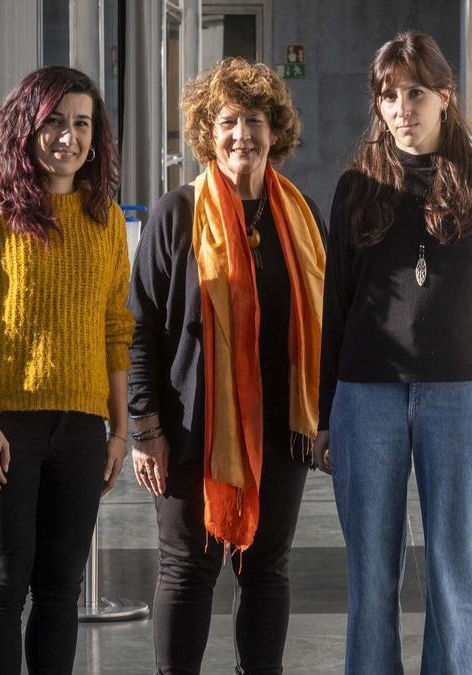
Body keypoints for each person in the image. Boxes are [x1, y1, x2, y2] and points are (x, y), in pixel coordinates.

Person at [313, 32, 472, 674]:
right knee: (371, 576)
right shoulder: (356, 187)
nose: (402, 108)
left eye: (415, 93)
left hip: (458, 401)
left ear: (446, 98)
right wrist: (321, 415)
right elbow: (335, 307)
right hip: (366, 400)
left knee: (458, 572)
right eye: (388, 95)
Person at [0, 66, 131, 675]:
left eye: (82, 124)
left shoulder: (105, 220)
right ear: (27, 126)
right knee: (5, 581)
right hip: (2, 428)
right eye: (55, 122)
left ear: (96, 137)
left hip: (81, 431)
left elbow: (115, 330)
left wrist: (118, 432)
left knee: (61, 588)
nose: (68, 137)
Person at [128, 57, 326, 675]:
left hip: (280, 431)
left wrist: (324, 418)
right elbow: (139, 328)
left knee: (267, 569)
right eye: (229, 120)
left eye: (256, 120)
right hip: (193, 431)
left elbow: (329, 324)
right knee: (188, 570)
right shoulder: (177, 214)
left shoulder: (302, 216)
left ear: (277, 132)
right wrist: (146, 429)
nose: (243, 133)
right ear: (208, 133)